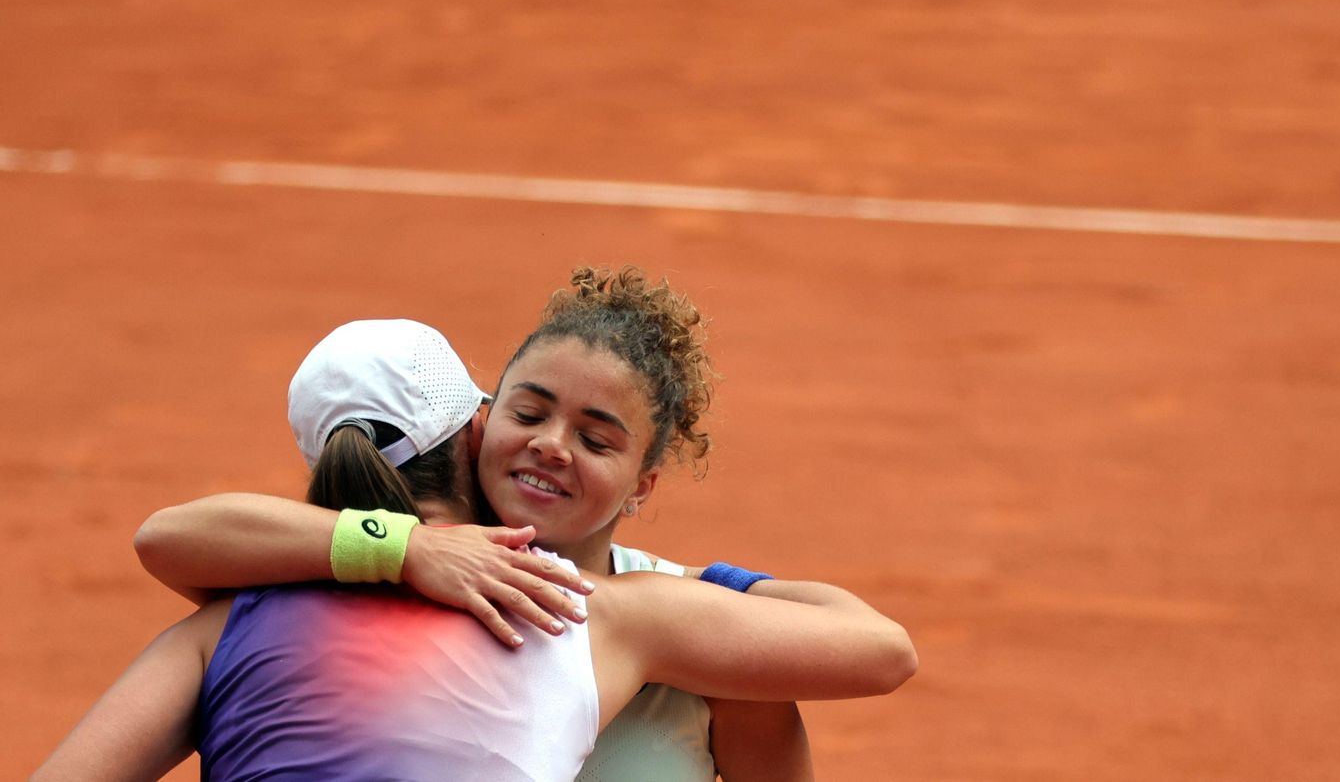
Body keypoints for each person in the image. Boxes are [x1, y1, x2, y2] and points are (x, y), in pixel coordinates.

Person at [33, 317, 916, 781]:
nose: (549, 446)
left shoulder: (221, 622)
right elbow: (883, 653)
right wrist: (707, 592)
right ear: (475, 431)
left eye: (593, 437)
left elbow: (169, 537)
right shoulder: (597, 615)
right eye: (527, 415)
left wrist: (397, 549)